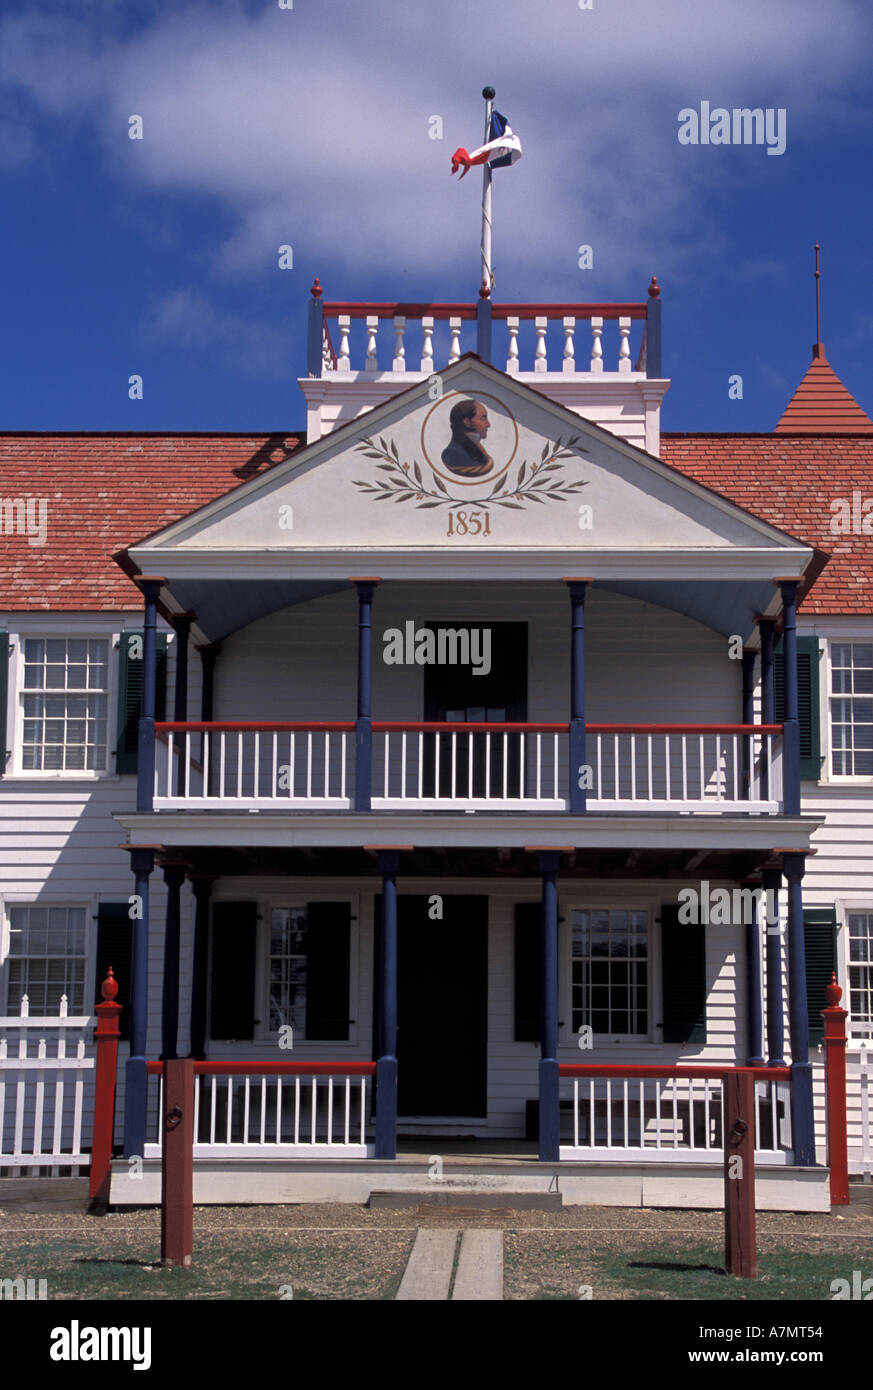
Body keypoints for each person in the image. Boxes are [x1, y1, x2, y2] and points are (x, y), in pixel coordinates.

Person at [440, 399, 494, 477]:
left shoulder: (476, 449)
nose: (488, 424)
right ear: (467, 422)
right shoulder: (453, 455)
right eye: (483, 418)